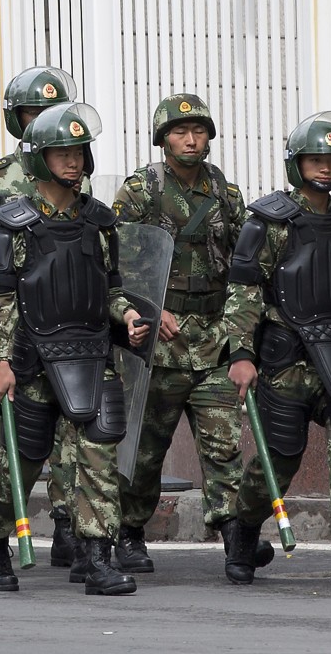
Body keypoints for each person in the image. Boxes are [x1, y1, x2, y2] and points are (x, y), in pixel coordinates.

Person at [0, 102, 149, 595]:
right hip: (32, 356)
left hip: (92, 352)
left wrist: (128, 316)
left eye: (78, 151)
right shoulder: (11, 224)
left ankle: (98, 556)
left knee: (99, 453)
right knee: (20, 458)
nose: (72, 162)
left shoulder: (99, 220)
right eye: (60, 153)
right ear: (37, 158)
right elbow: (2, 300)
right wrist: (3, 360)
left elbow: (111, 288)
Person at [223, 110, 331, 590]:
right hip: (287, 359)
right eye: (315, 159)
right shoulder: (268, 221)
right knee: (278, 459)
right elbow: (244, 292)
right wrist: (241, 353)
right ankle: (241, 532)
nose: (325, 168)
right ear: (296, 163)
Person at [112, 93, 273, 573]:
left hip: (214, 339)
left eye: (198, 131)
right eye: (181, 131)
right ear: (164, 138)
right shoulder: (141, 190)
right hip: (160, 342)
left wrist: (242, 333)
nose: (190, 139)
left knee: (223, 449)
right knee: (145, 451)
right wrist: (146, 308)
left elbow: (247, 264)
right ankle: (130, 533)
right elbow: (116, 261)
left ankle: (234, 539)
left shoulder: (226, 193)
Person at [0, 66, 82, 567]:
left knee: (72, 433)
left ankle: (70, 527)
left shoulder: (76, 171)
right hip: (13, 322)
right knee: (16, 438)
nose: (41, 123)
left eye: (51, 113)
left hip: (67, 322)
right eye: (33, 113)